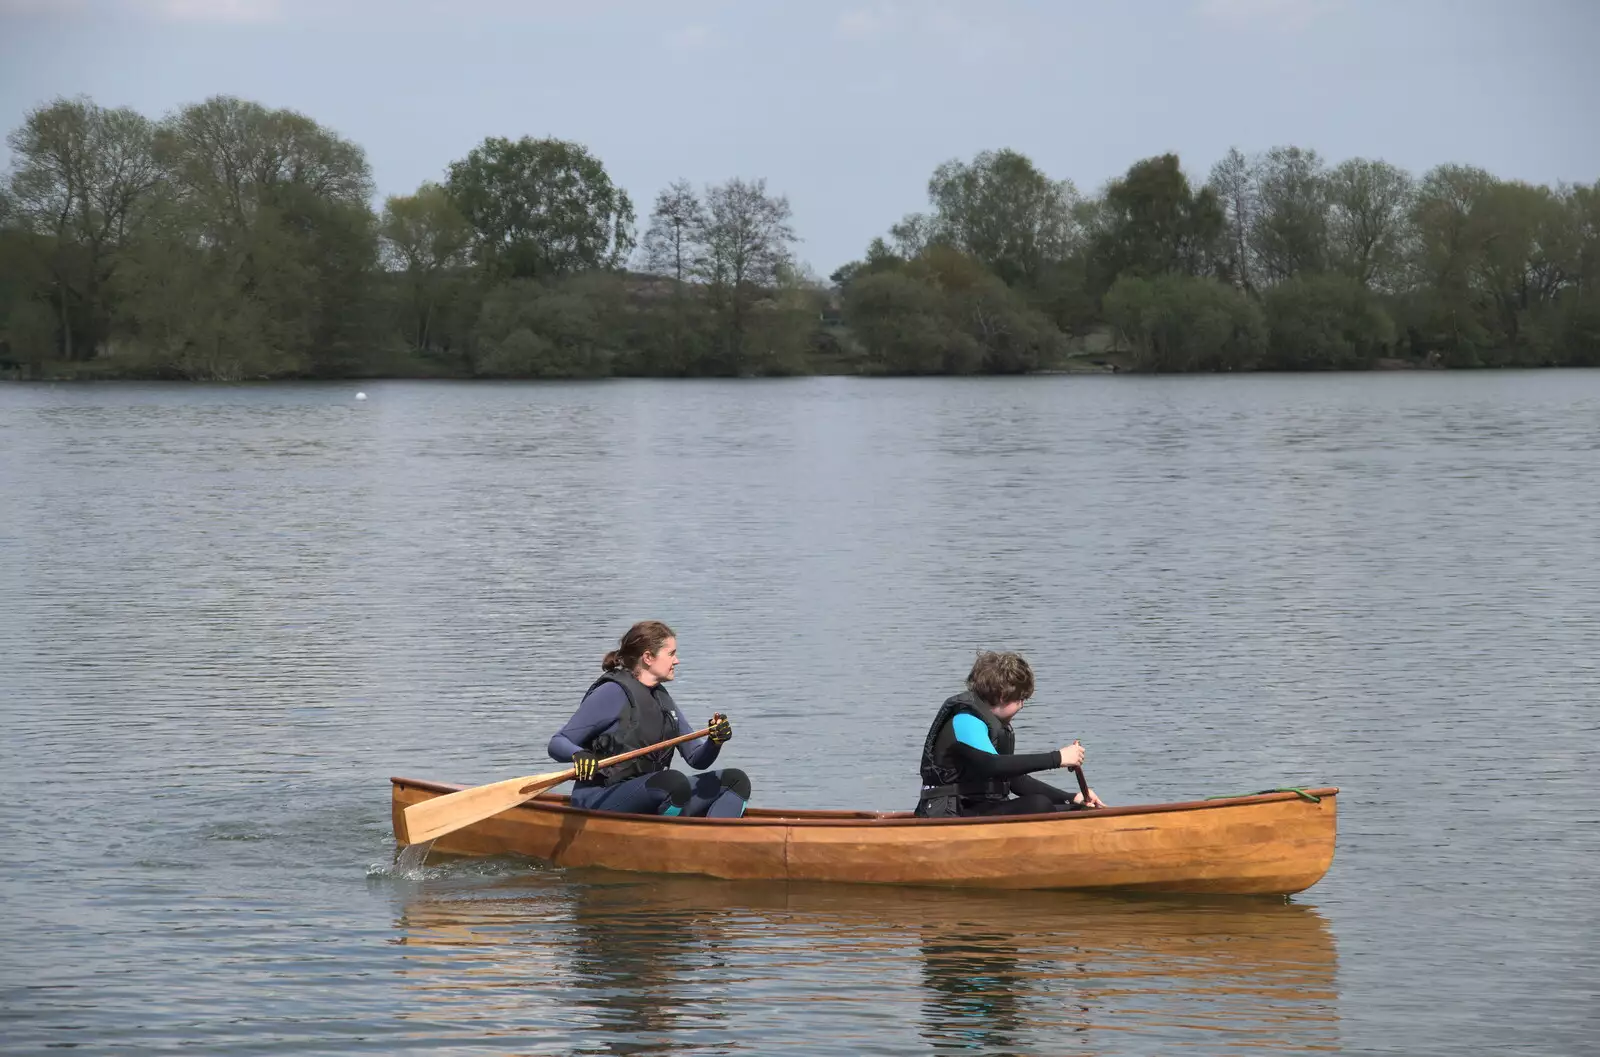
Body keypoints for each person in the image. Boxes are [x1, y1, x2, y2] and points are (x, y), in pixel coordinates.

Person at [548, 620, 749, 818]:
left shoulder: (662, 699)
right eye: (671, 654)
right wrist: (579, 755)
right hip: (600, 797)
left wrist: (715, 742)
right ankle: (667, 841)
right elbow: (558, 743)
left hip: (655, 792)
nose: (677, 660)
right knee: (672, 783)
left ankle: (713, 841)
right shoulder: (612, 693)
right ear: (648, 658)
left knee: (736, 781)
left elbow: (697, 758)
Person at [915, 650, 1105, 818]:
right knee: (1038, 805)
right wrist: (1058, 758)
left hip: (973, 808)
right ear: (1003, 696)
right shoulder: (965, 720)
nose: (1022, 706)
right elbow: (993, 766)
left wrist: (1072, 797)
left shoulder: (990, 724)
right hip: (948, 813)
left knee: (1072, 809)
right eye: (1021, 699)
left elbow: (1014, 780)